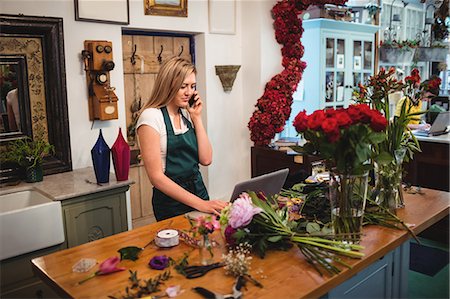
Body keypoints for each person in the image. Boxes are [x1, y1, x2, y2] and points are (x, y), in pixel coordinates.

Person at [136, 57, 227, 221]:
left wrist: (197, 118)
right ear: (168, 85)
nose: (189, 92)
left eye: (192, 86)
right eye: (183, 86)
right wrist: (201, 204)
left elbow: (206, 159)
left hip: (199, 192)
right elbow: (156, 177)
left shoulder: (185, 115)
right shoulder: (151, 117)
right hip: (171, 203)